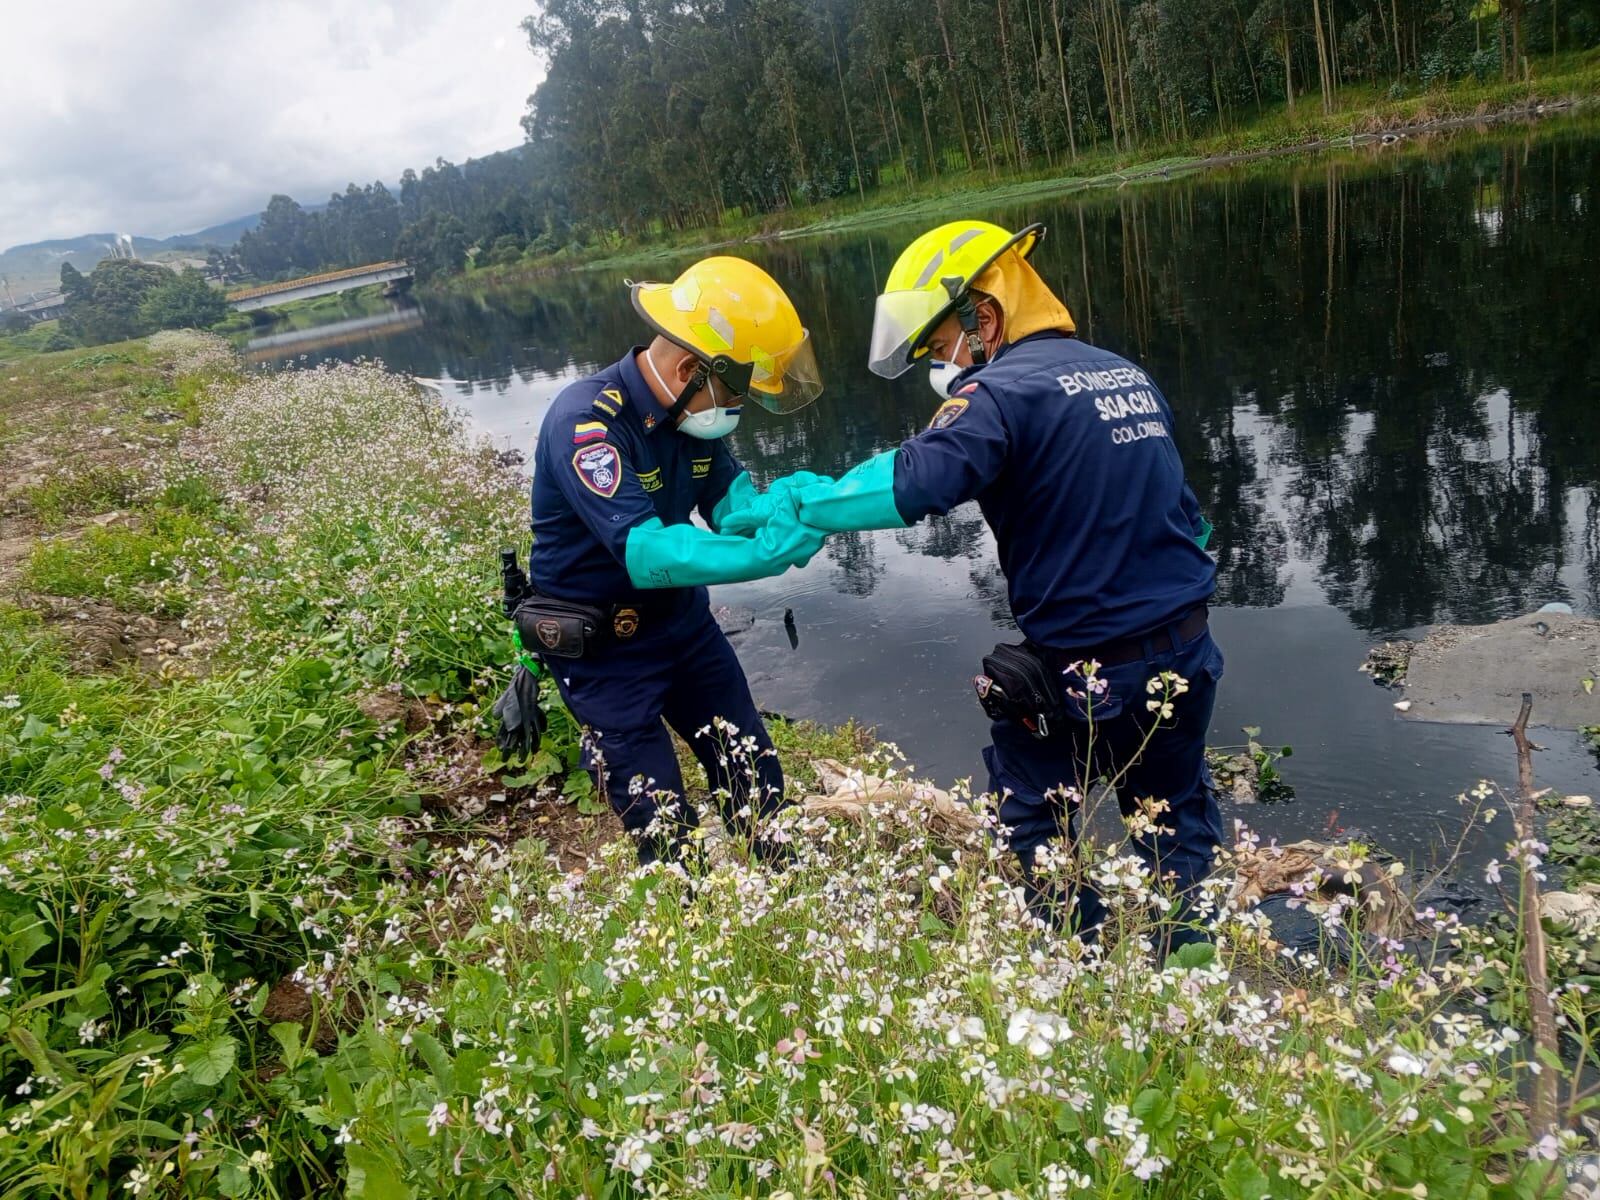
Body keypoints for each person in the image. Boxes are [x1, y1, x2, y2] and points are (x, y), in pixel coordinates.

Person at [721, 220, 1223, 939]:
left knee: (1032, 814)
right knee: (1175, 820)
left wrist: (803, 502)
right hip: (1188, 652)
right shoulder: (1123, 373)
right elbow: (1190, 519)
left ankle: (1076, 967)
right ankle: (1186, 971)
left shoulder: (999, 391)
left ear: (982, 316)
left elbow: (918, 481)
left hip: (1089, 671)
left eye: (938, 345)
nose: (942, 362)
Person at [519, 255, 827, 866]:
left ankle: (786, 890)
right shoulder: (586, 422)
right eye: (736, 391)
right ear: (691, 368)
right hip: (606, 650)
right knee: (661, 821)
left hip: (683, 630)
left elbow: (730, 502)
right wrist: (759, 556)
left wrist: (792, 506)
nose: (737, 407)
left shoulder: (694, 413)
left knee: (753, 771)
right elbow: (647, 549)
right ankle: (692, 919)